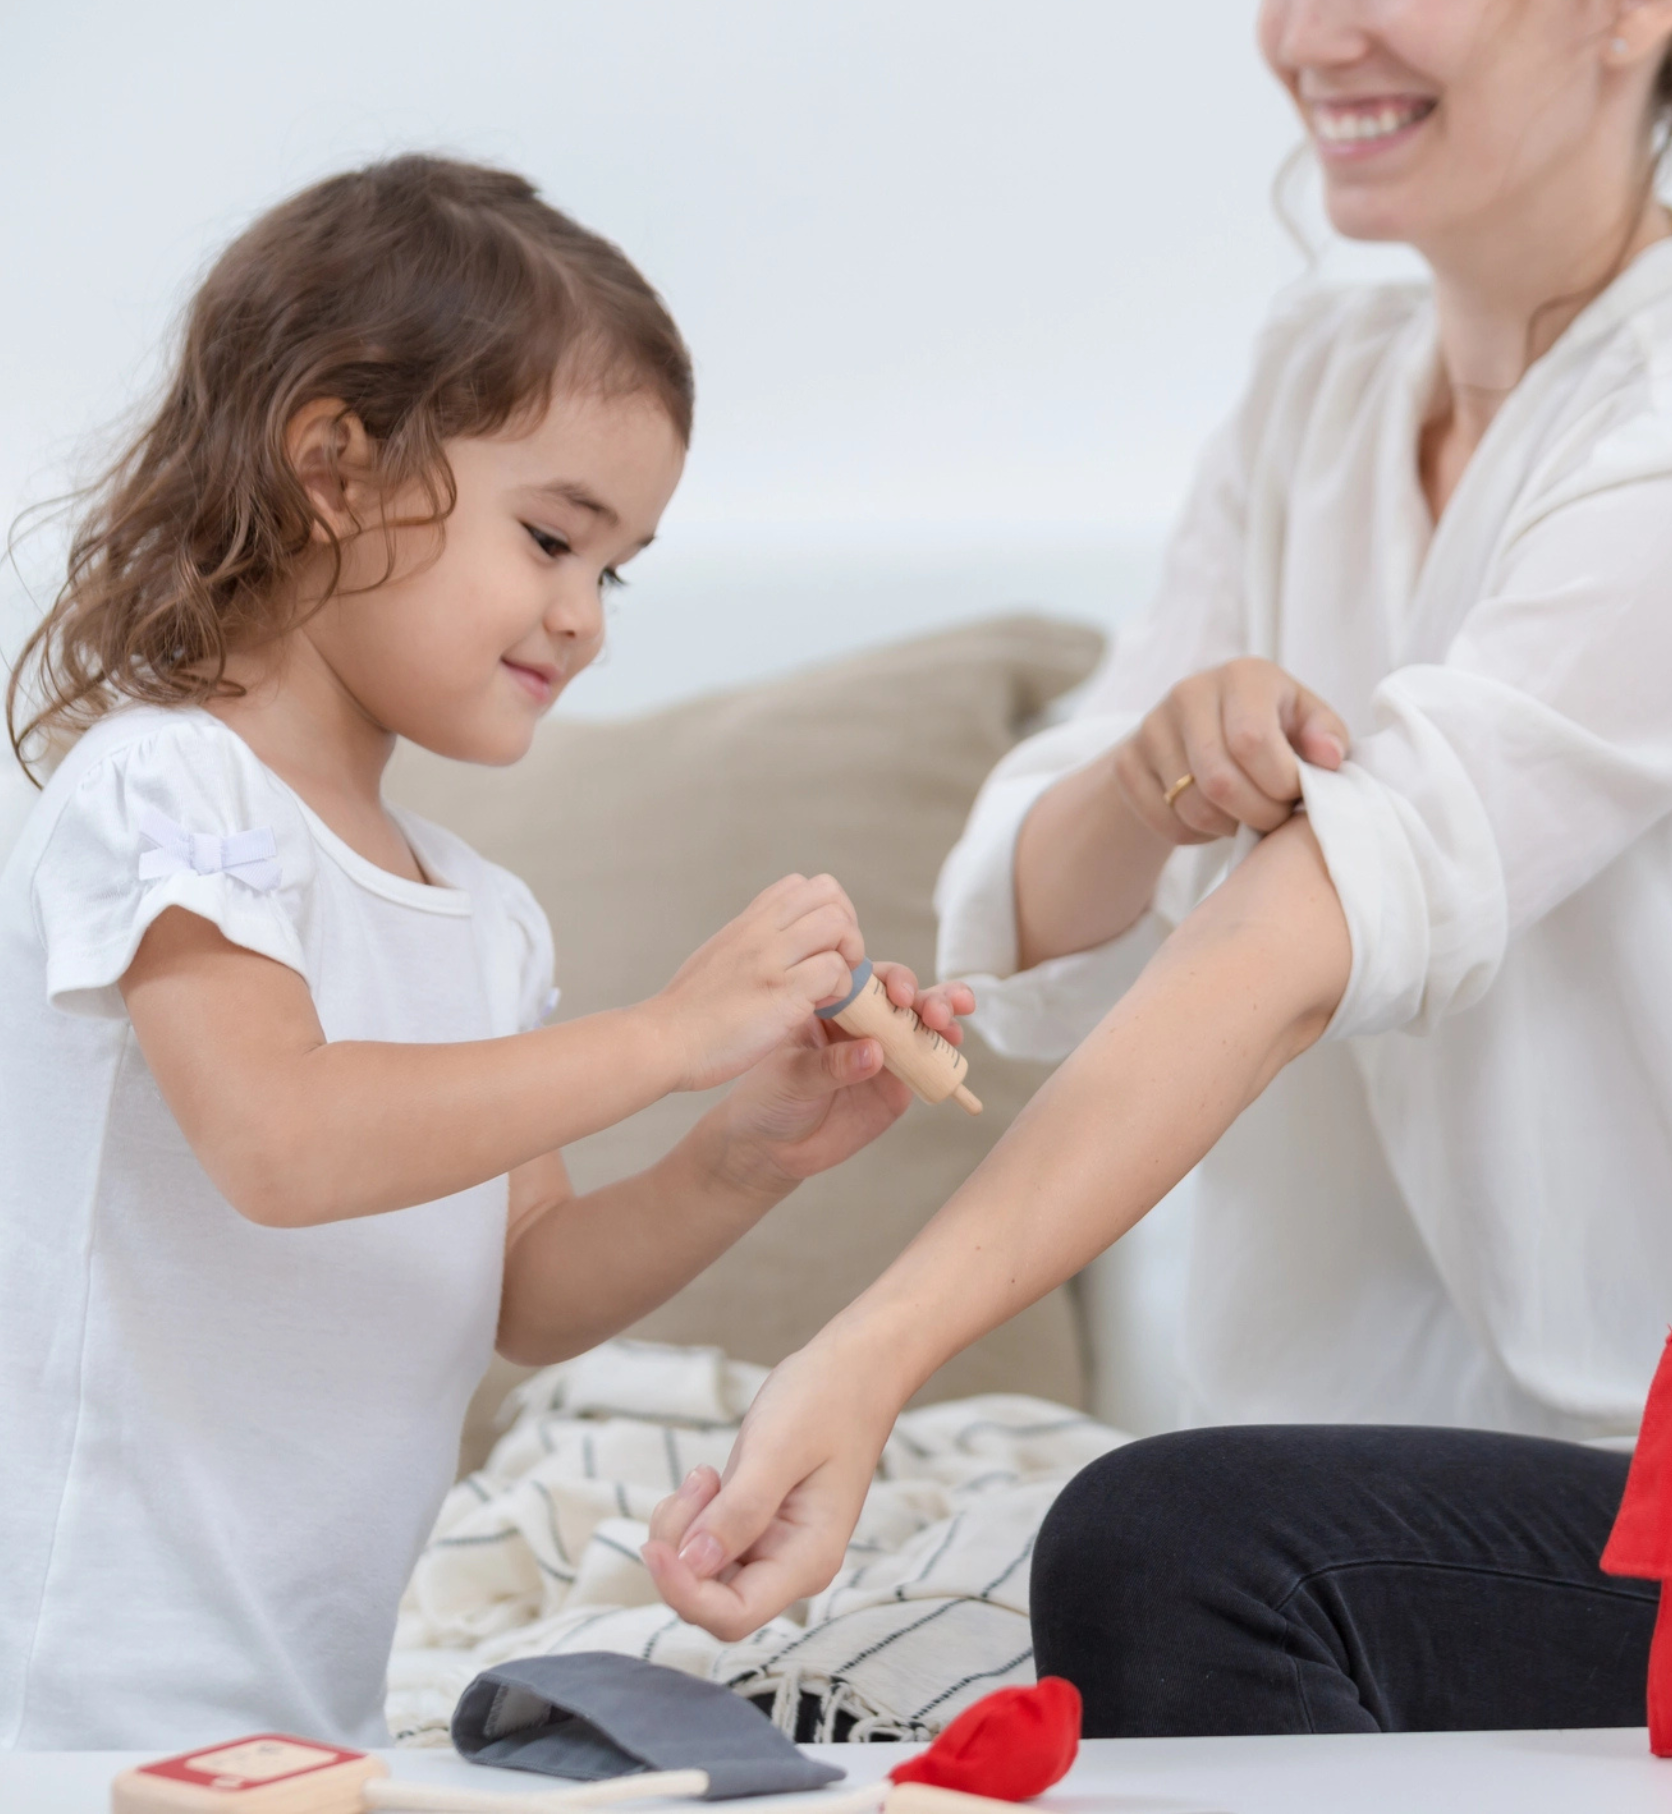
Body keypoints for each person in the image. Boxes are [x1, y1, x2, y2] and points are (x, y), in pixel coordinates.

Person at [639, 0, 1672, 1736]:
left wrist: (865, 1355)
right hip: (1471, 1468)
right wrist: (1148, 775)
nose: (1307, 30)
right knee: (1151, 1532)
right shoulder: (1319, 385)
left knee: (1171, 1548)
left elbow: (1292, 940)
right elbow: (1035, 921)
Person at [0, 156, 970, 1751]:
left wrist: (740, 1154)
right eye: (551, 537)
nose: (585, 616)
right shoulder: (166, 788)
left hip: (295, 1718)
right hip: (68, 1708)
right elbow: (280, 1139)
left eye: (615, 567)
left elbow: (527, 1288)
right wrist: (665, 1034)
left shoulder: (481, 913)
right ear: (334, 466)